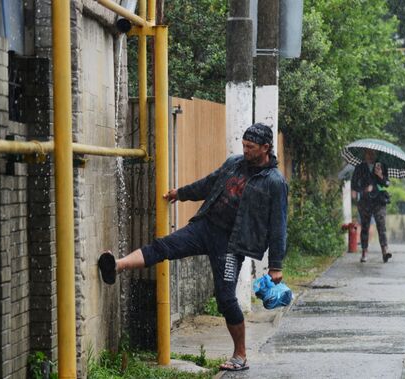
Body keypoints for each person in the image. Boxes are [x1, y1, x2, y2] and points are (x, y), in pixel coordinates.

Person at [97, 123, 288, 372]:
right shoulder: (234, 163)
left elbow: (278, 226)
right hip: (205, 228)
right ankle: (117, 266)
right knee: (163, 245)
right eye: (244, 145)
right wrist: (182, 193)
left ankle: (240, 355)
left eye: (250, 147)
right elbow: (209, 184)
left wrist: (276, 265)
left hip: (231, 244)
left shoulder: (275, 182)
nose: (245, 150)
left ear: (266, 147)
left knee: (226, 299)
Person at [351, 149, 392, 263]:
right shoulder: (359, 167)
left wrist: (380, 175)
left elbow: (387, 183)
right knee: (365, 227)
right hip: (364, 201)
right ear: (364, 154)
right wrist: (363, 190)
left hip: (379, 200)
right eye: (368, 154)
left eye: (373, 154)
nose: (371, 156)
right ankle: (364, 251)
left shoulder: (381, 165)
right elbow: (354, 184)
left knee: (381, 225)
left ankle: (385, 251)